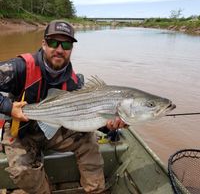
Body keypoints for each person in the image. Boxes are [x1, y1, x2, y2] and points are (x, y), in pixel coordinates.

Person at [0, 20, 125, 194]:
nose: (59, 49)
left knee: (89, 140)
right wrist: (8, 107)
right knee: (23, 172)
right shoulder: (20, 67)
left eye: (66, 44)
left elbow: (88, 114)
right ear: (44, 44)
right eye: (53, 42)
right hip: (21, 131)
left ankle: (97, 190)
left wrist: (108, 126)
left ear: (71, 49)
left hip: (56, 128)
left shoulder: (75, 82)